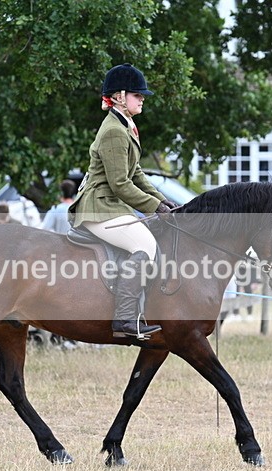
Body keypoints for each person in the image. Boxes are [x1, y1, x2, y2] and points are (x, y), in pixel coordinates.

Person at [68, 63, 176, 339]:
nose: (142, 99)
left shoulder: (126, 125)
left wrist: (164, 201)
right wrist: (154, 207)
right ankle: (125, 319)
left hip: (110, 206)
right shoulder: (114, 131)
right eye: (137, 95)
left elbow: (136, 173)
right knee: (145, 244)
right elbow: (120, 184)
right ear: (118, 96)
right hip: (99, 207)